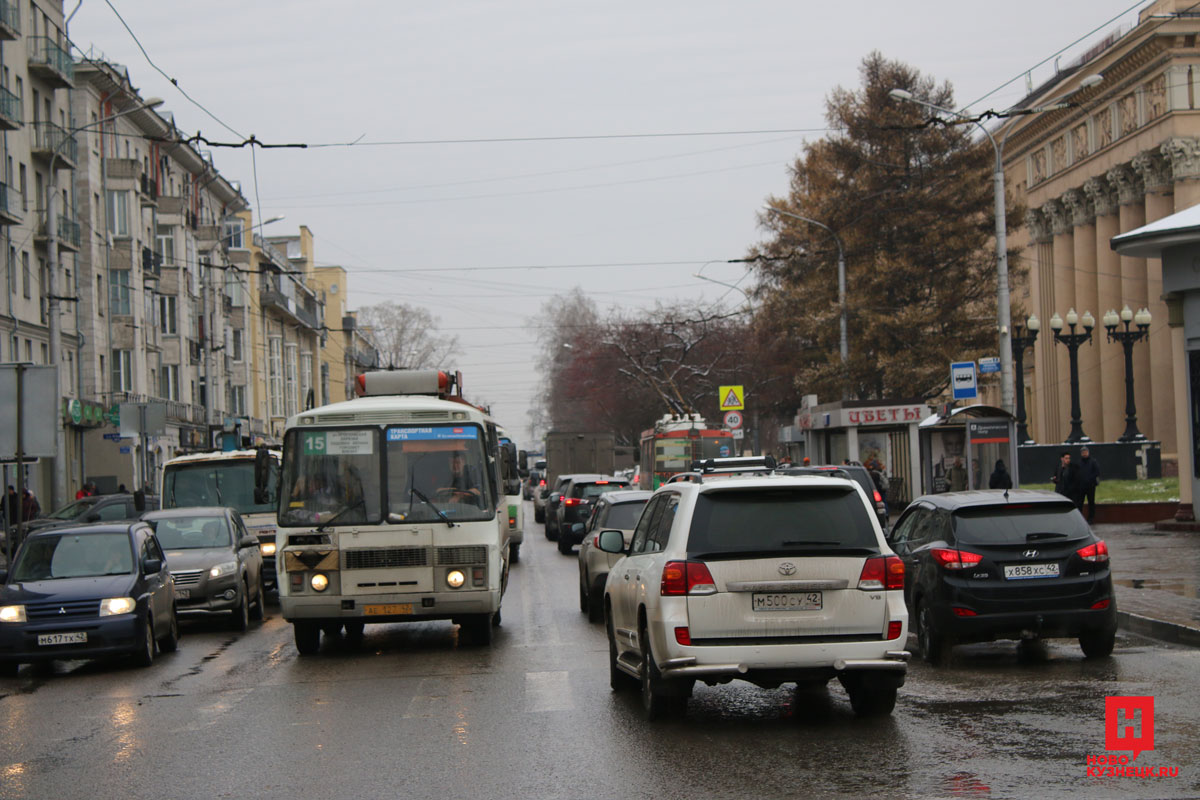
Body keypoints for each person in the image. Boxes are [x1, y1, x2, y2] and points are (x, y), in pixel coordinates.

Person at [1079, 446, 1101, 523]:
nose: (1084, 454)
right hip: (1081, 486)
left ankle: (1091, 518)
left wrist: (1089, 479)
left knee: (1091, 502)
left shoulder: (1093, 462)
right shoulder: (1079, 463)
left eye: (1085, 452)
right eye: (1083, 452)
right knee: (1080, 502)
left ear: (1088, 452)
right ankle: (1080, 518)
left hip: (1091, 486)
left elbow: (1097, 472)